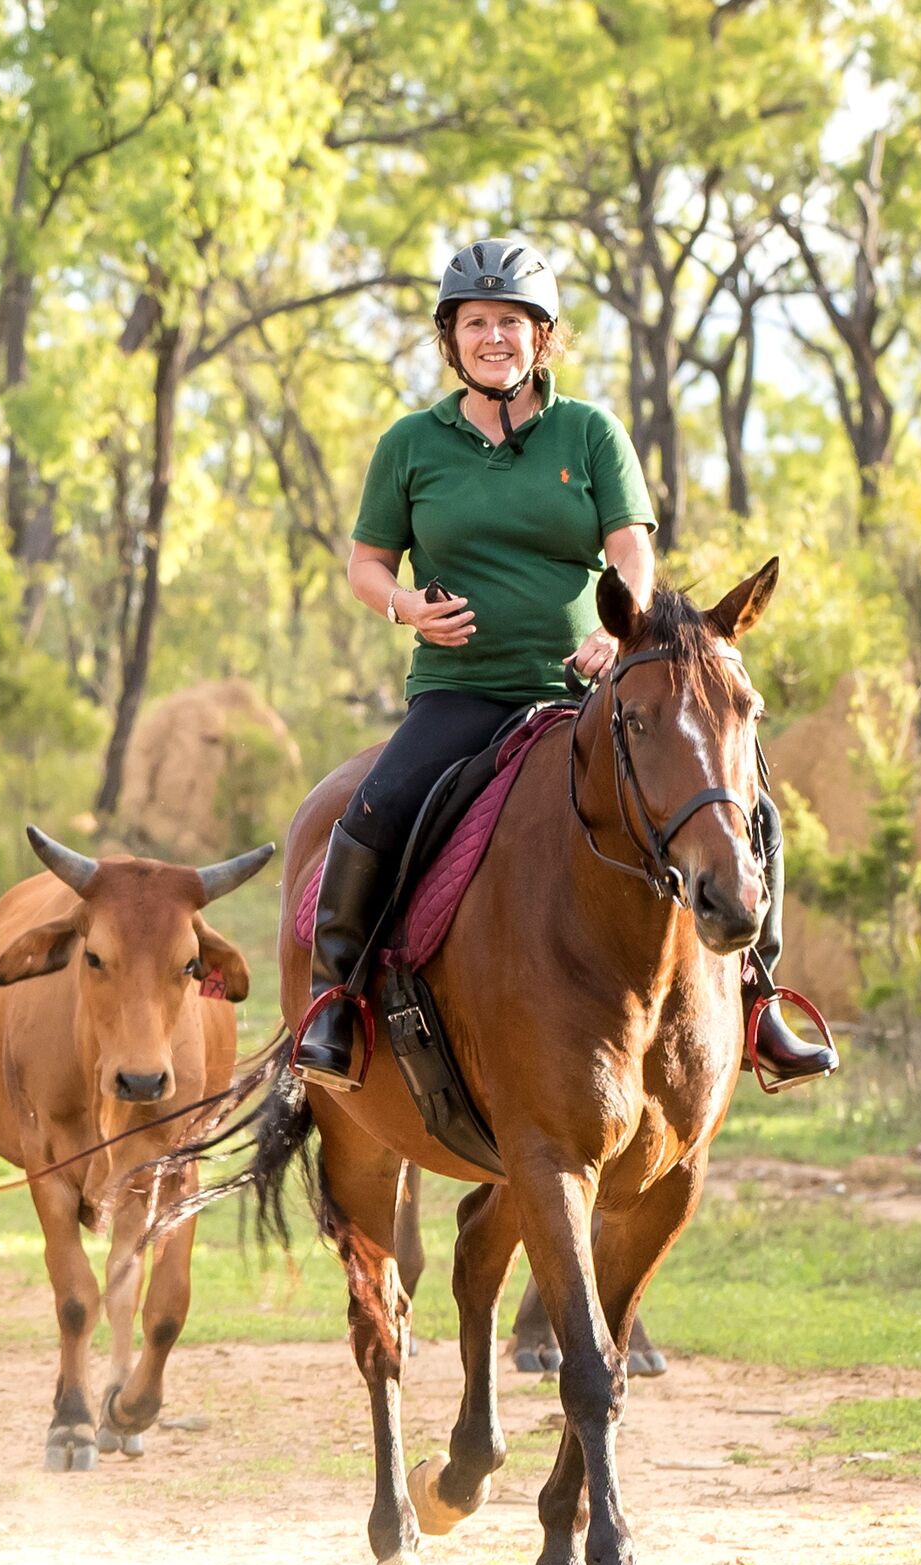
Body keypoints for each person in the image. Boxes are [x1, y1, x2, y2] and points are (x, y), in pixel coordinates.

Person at [306, 236, 835, 1089]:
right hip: (463, 691)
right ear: (453, 338)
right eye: (475, 323)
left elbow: (631, 548)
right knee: (378, 804)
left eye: (511, 323)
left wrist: (616, 634)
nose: (493, 339)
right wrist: (404, 606)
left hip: (587, 691)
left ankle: (760, 999)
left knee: (751, 806)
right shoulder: (411, 444)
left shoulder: (590, 432)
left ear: (541, 338)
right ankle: (335, 1003)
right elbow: (366, 564)